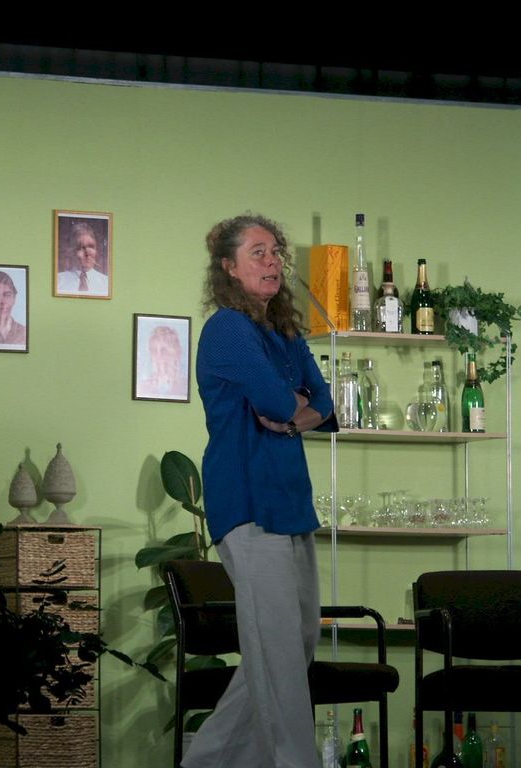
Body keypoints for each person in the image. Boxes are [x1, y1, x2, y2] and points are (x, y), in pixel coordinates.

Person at [182, 214, 335, 768]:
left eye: (275, 252)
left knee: (294, 644)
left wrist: (295, 415)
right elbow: (276, 400)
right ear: (229, 267)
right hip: (246, 502)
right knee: (280, 656)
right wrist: (295, 407)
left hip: (290, 500)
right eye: (257, 253)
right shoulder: (227, 328)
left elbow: (325, 404)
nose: (272, 262)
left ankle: (204, 761)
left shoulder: (284, 333)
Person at [56, 220, 109, 296]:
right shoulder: (58, 281)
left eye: (91, 246)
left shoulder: (106, 283)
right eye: (81, 248)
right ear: (71, 252)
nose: (88, 253)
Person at [137, 324, 188, 398]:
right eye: (154, 351)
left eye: (164, 350)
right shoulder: (142, 388)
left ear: (177, 353)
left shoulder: (186, 386)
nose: (158, 356)